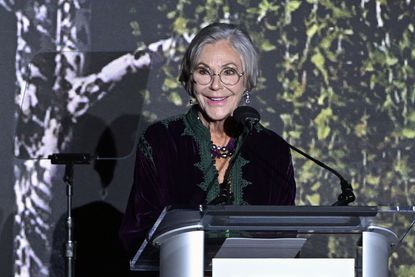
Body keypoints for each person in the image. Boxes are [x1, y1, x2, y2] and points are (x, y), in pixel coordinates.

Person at [119, 22, 296, 259]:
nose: (215, 85)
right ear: (190, 80)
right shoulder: (161, 142)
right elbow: (139, 235)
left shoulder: (272, 150)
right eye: (203, 71)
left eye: (229, 72)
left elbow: (285, 240)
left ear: (247, 81)